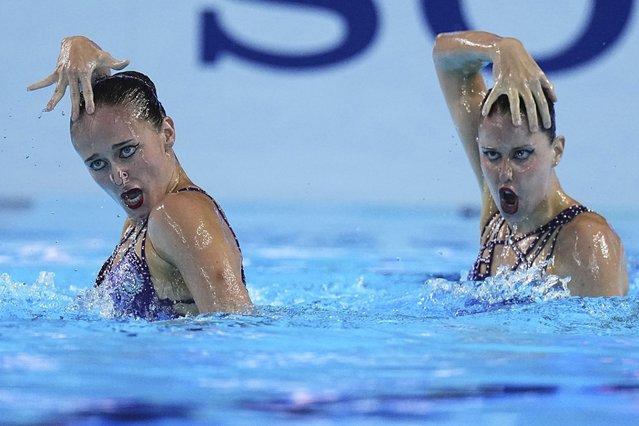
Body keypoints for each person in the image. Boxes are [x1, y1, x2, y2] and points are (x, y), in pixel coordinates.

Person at [28, 36, 252, 319]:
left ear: (167, 133)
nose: (117, 175)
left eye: (128, 151)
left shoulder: (176, 214)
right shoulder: (141, 221)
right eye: (97, 163)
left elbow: (235, 327)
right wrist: (75, 44)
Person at [432, 31, 628, 297]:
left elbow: (604, 336)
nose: (504, 172)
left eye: (521, 154)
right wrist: (501, 48)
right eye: (491, 155)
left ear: (556, 151)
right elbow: (446, 58)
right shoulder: (496, 216)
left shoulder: (587, 241)